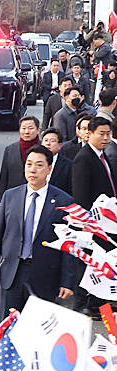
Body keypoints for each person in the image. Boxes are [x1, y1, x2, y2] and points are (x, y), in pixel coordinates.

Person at [0, 145, 75, 318]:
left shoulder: (63, 201)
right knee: (8, 325)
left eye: (39, 165)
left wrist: (67, 281)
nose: (33, 170)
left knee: (38, 326)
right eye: (29, 164)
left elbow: (68, 245)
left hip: (45, 274)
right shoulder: (10, 196)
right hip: (13, 271)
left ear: (49, 169)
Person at [71, 116, 115, 316]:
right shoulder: (84, 158)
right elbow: (81, 195)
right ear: (89, 134)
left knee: (101, 262)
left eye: (108, 134)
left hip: (106, 222)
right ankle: (82, 304)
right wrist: (88, 224)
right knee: (87, 263)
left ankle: (98, 302)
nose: (105, 138)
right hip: (92, 223)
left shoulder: (102, 156)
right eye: (101, 134)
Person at [0, 115, 40, 205]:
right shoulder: (10, 149)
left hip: (38, 196)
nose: (26, 132)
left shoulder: (44, 149)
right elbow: (4, 175)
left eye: (30, 128)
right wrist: (0, 199)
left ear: (38, 130)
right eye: (23, 128)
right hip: (14, 197)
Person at [41, 128, 72, 194]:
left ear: (60, 145)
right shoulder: (34, 161)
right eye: (45, 140)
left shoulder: (68, 165)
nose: (48, 143)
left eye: (52, 141)